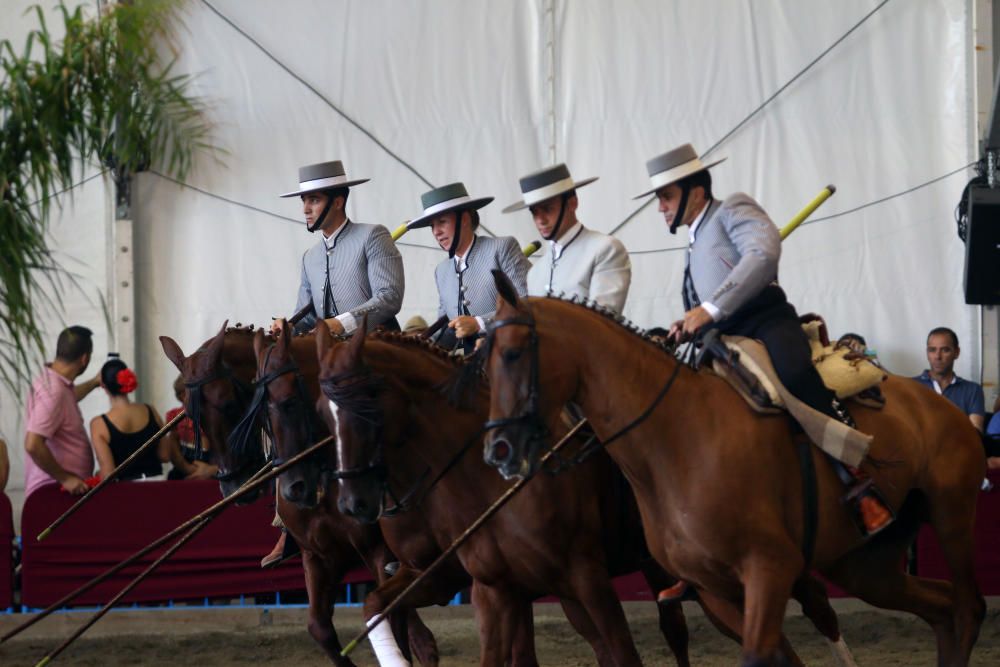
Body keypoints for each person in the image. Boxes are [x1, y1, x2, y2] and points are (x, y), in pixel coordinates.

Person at [636, 143, 892, 586]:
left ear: (695, 191)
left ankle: (857, 479)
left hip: (765, 322)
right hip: (718, 340)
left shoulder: (732, 208)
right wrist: (688, 322)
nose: (660, 208)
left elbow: (764, 253)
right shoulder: (691, 245)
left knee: (795, 377)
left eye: (666, 197)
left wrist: (710, 309)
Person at [272, 160, 404, 336]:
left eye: (314, 200)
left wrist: (341, 323)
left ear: (337, 202)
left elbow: (389, 297)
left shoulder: (373, 235)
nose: (305, 209)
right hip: (330, 354)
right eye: (304, 201)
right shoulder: (309, 257)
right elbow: (308, 319)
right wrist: (290, 326)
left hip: (377, 346)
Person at [406, 182, 530, 352]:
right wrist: (417, 343)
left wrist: (479, 323)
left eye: (442, 222)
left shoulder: (502, 248)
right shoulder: (441, 271)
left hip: (508, 359)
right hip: (467, 367)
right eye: (432, 226)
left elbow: (527, 302)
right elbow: (447, 329)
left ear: (464, 219)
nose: (436, 231)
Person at [503, 164, 631, 313]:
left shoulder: (606, 249)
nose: (540, 219)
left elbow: (605, 319)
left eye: (547, 209)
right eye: (534, 212)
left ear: (572, 203)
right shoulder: (535, 273)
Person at [23, 326, 100, 497]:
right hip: (54, 490)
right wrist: (65, 478)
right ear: (85, 359)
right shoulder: (55, 392)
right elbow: (32, 444)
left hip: (60, 489)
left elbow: (68, 398)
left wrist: (94, 382)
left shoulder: (53, 382)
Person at [913, 327, 985, 432]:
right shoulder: (911, 386)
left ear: (956, 352)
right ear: (927, 353)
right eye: (932, 350)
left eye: (945, 350)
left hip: (957, 448)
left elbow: (975, 435)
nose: (937, 356)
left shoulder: (973, 390)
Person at [164, 374, 218, 480]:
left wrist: (212, 469)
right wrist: (188, 468)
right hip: (185, 467)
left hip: (214, 468)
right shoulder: (175, 416)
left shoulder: (215, 414)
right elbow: (172, 446)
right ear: (182, 396)